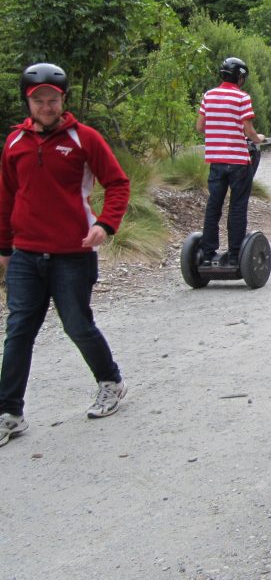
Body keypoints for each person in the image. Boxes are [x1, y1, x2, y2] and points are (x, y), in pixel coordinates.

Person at [0, 63, 131, 447]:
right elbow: (6, 197)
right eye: (38, 100)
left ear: (63, 100)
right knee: (19, 330)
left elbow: (118, 183)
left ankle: (111, 382)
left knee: (77, 324)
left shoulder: (83, 138)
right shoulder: (14, 143)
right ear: (28, 101)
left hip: (73, 252)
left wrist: (104, 226)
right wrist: (4, 248)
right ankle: (9, 413)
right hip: (26, 252)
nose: (46, 106)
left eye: (52, 99)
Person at [196, 57, 265, 268]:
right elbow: (248, 129)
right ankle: (235, 255)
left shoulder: (208, 96)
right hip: (238, 161)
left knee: (214, 205)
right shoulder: (242, 97)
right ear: (240, 77)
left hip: (216, 161)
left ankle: (208, 254)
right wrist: (258, 138)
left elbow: (200, 127)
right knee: (237, 206)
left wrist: (220, 131)